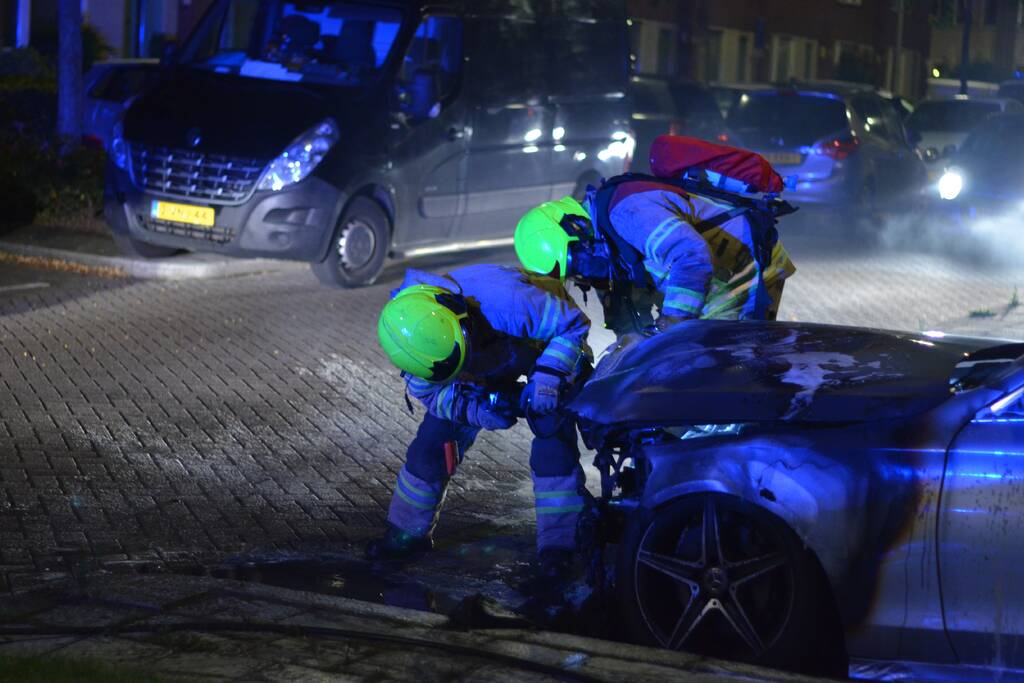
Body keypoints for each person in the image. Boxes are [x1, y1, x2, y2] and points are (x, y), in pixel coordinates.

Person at [370, 264, 592, 581]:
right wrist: (477, 411)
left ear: (461, 321)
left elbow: (573, 325)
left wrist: (548, 377)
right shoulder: (415, 348)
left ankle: (561, 548)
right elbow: (437, 398)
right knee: (431, 447)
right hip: (483, 358)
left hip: (545, 348)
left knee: (552, 442)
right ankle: (405, 534)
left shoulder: (510, 302)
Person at [513, 182, 796, 336]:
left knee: (723, 359)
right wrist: (630, 339)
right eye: (573, 274)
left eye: (576, 264)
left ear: (575, 226)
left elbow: (691, 256)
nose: (583, 275)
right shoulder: (601, 242)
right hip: (716, 273)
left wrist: (673, 320)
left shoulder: (628, 212)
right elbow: (622, 301)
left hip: (743, 263)